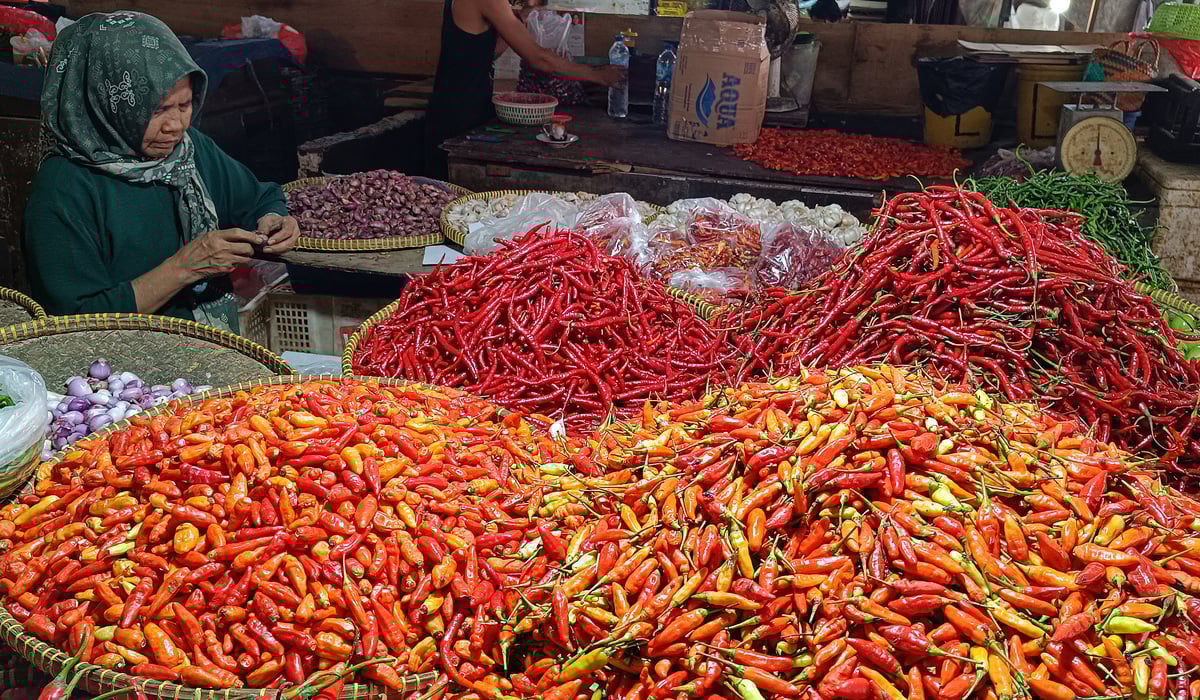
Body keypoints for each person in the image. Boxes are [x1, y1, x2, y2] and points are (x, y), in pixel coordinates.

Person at [24, 11, 300, 332]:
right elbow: (77, 321)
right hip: (122, 369)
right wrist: (185, 267)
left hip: (207, 345)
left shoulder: (190, 149)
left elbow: (258, 198)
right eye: (157, 110)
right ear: (107, 105)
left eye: (184, 106)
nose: (176, 126)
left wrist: (275, 218)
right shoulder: (63, 190)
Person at [424, 0, 625, 180]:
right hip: (456, 115)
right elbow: (539, 59)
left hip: (463, 107)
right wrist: (596, 74)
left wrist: (519, 20)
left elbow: (485, 54)